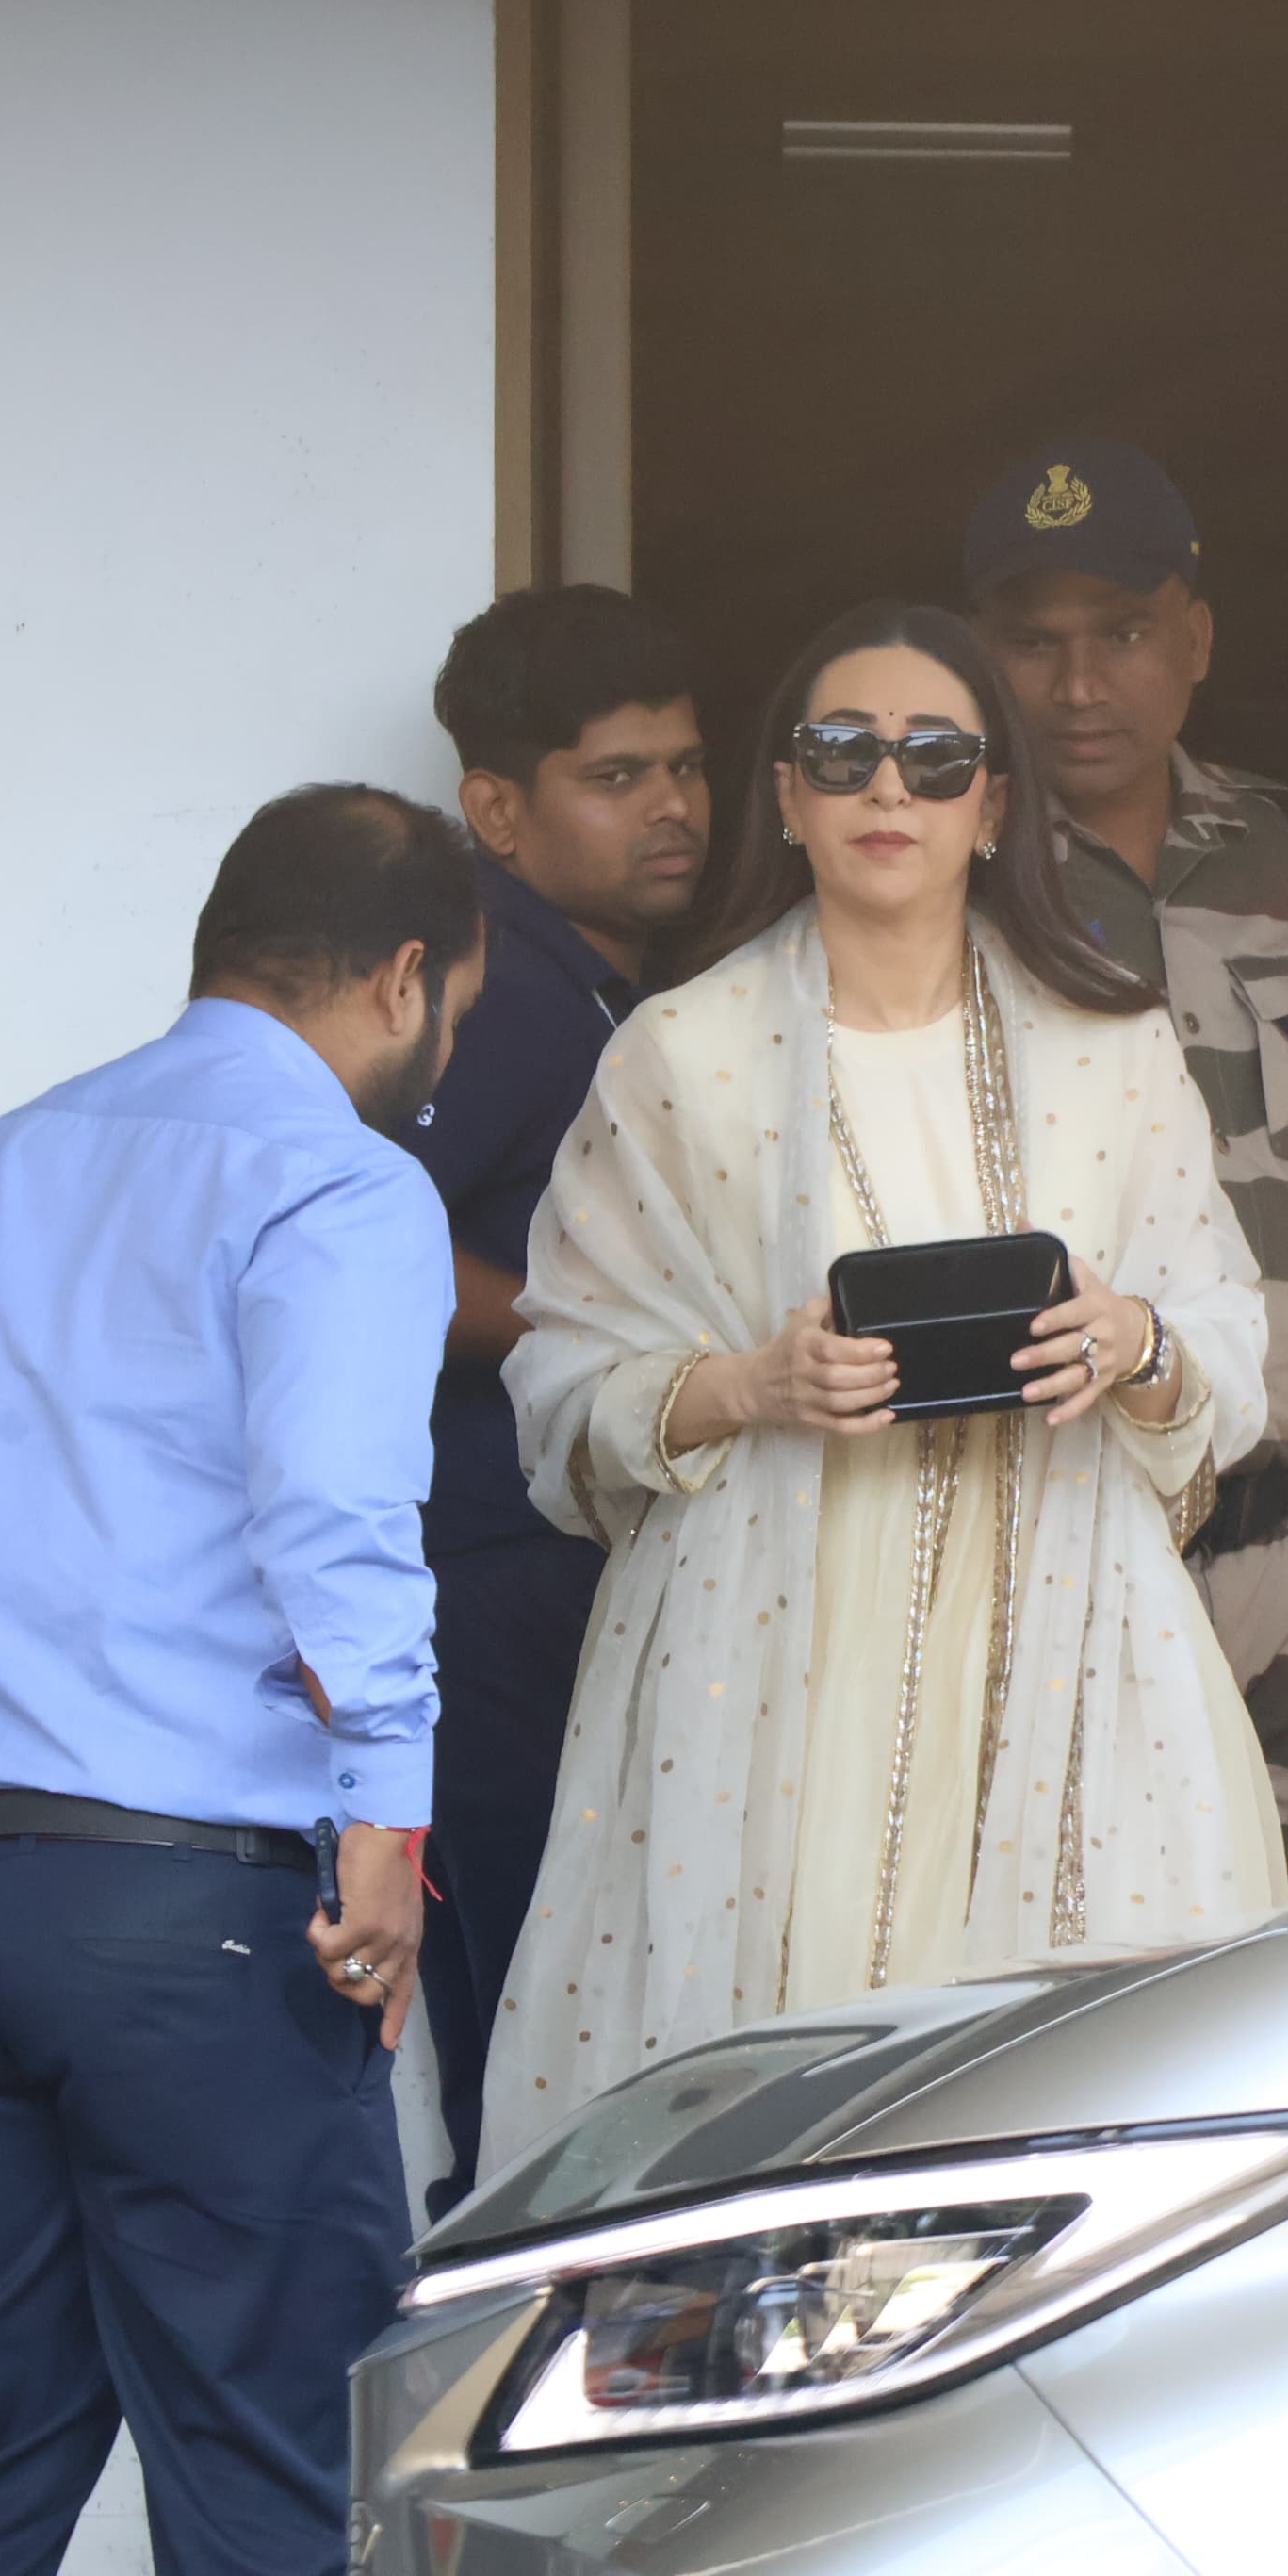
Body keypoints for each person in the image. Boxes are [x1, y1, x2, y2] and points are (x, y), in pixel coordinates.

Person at [482, 600, 1277, 2167]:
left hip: (1069, 1641)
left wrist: (1131, 1343)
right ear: (785, 796)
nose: (887, 791)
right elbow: (561, 1387)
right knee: (777, 2147)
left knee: (1076, 2141)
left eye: (935, 757)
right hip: (768, 1664)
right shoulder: (680, 1053)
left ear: (995, 803)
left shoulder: (1113, 1049)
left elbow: (1230, 1337)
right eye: (843, 753)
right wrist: (749, 1383)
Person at [0, 785, 481, 2576]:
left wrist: (53, 1599)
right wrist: (389, 1819)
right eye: (457, 1014)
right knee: (275, 2486)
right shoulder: (340, 1181)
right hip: (189, 1926)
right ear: (407, 976)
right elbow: (336, 1514)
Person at [967, 437, 1288, 1901]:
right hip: (1054, 1542)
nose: (1079, 686)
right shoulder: (949, 863)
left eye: (1123, 634)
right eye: (1035, 643)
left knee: (1262, 1971)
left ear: (1194, 639)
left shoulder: (1275, 850)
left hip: (1272, 1561)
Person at [401, 584, 710, 2207]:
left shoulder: (593, 983)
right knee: (530, 2048)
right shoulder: (495, 987)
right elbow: (371, 1234)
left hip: (573, 1563)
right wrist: (592, 1339)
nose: (671, 806)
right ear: (499, 809)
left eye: (685, 766)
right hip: (491, 1580)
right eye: (618, 775)